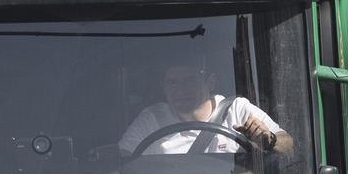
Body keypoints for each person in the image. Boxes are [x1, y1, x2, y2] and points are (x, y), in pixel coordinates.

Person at [119, 63, 294, 157]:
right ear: (163, 88)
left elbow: (288, 146)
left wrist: (268, 140)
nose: (180, 91)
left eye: (189, 81)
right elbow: (122, 158)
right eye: (172, 83)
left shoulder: (236, 110)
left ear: (210, 82)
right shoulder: (152, 118)